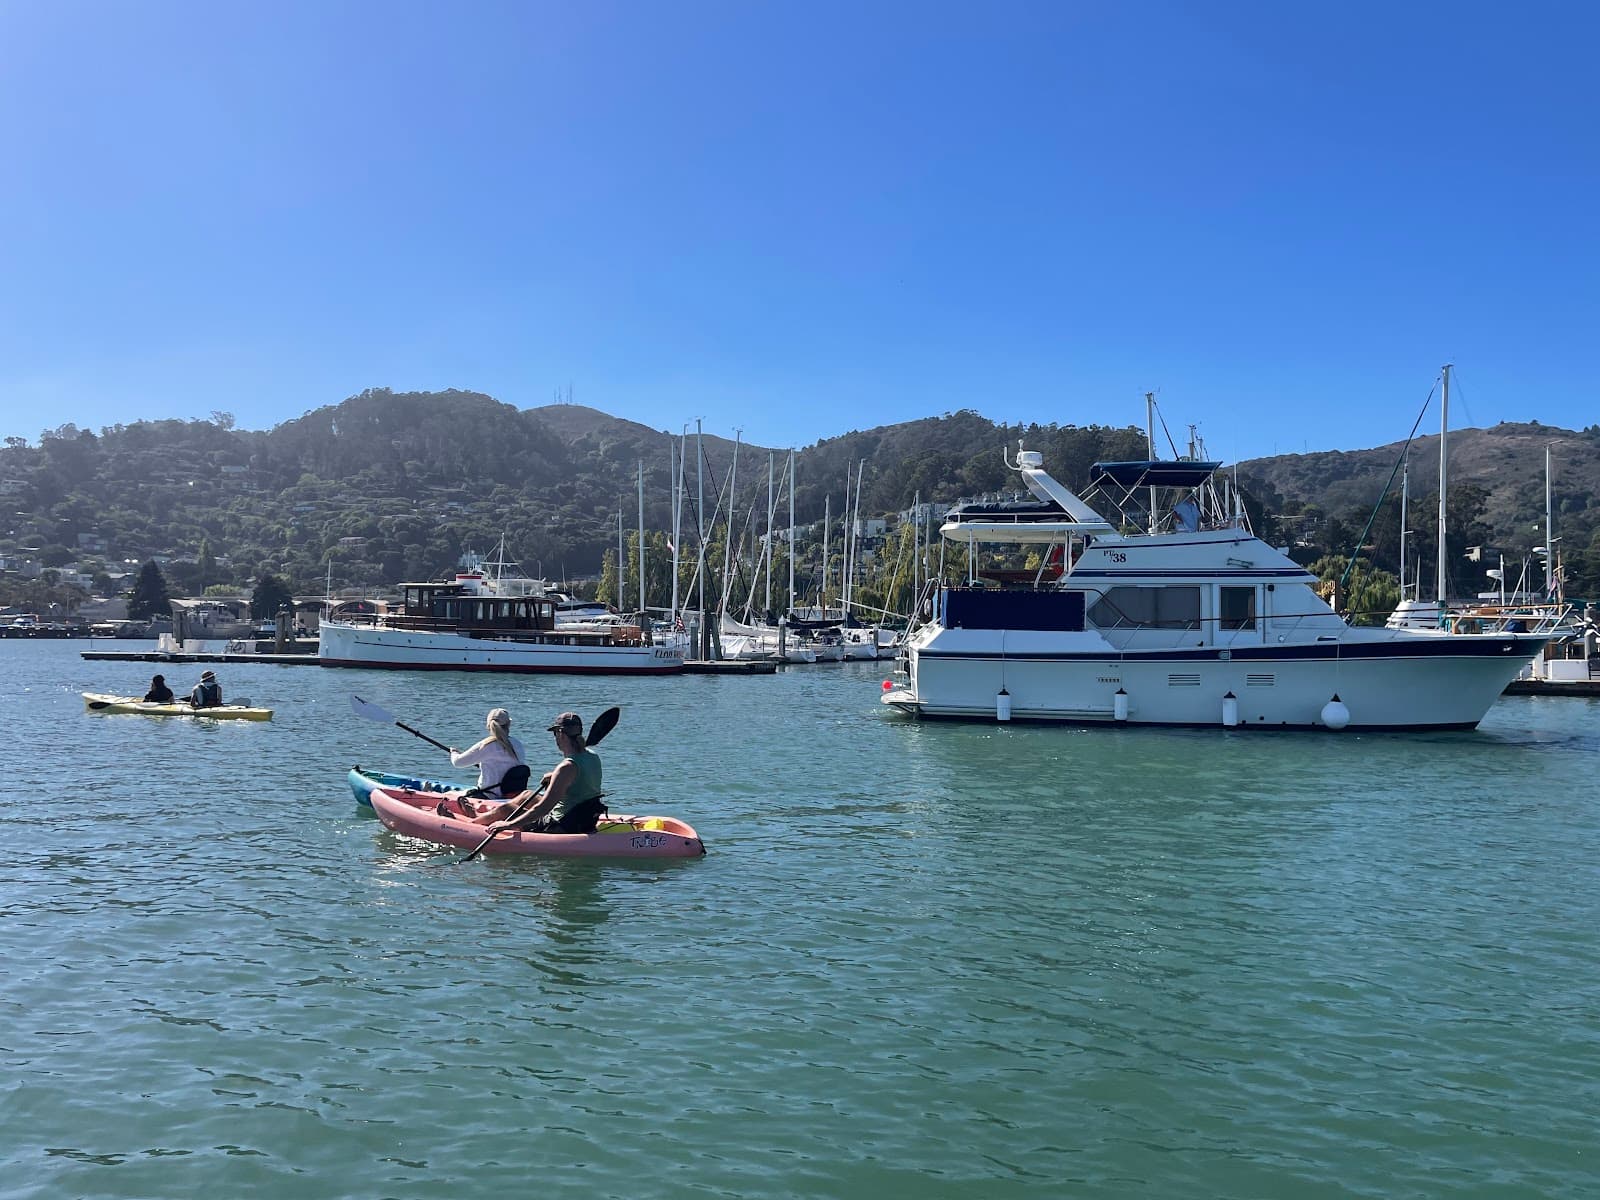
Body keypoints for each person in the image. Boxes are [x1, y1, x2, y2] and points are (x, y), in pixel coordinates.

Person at [465, 711, 604, 835]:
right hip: (584, 818)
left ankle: (471, 825)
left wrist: (509, 824)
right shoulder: (592, 756)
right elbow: (580, 777)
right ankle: (481, 817)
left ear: (560, 734)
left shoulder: (566, 767)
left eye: (555, 733)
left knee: (507, 809)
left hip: (561, 825)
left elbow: (543, 808)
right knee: (526, 795)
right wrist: (555, 776)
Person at [448, 708, 526, 797]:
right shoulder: (518, 744)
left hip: (489, 795)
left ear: (488, 726)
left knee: (449, 794)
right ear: (509, 724)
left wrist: (454, 753)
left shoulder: (486, 745)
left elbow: (458, 762)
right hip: (513, 796)